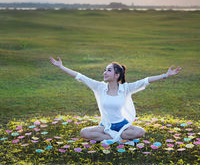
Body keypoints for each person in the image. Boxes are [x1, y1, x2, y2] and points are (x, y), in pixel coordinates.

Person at [49, 57, 182, 144]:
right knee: (83, 132)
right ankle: (118, 139)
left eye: (108, 70)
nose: (104, 73)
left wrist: (166, 75)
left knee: (140, 131)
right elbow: (80, 76)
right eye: (105, 70)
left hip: (122, 126)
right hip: (105, 127)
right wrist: (61, 67)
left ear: (117, 75)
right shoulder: (99, 87)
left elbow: (145, 81)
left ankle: (114, 138)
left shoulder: (125, 88)